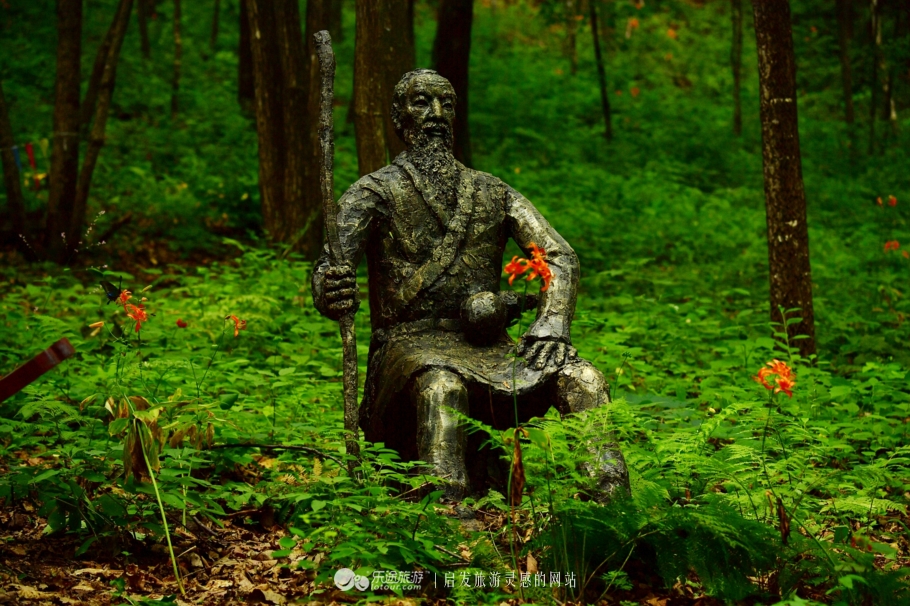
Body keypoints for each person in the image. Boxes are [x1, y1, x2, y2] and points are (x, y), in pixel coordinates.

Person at [312, 69, 628, 501]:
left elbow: (559, 255)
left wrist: (552, 323)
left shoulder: (491, 191)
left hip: (488, 346)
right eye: (422, 102)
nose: (436, 113)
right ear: (399, 117)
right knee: (442, 386)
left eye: (446, 104)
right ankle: (448, 507)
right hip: (409, 346)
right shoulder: (374, 192)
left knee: (583, 378)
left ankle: (611, 503)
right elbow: (331, 267)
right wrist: (331, 288)